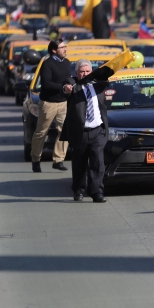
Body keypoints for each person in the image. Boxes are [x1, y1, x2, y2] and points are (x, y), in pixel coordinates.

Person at [61, 59, 109, 203]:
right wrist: (67, 88)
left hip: (97, 130)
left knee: (97, 161)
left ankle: (97, 192)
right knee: (79, 163)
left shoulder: (98, 84)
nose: (85, 74)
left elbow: (107, 79)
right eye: (82, 71)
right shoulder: (73, 83)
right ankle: (78, 190)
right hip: (80, 132)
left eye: (87, 71)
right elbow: (66, 87)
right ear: (76, 73)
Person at [30, 39, 71, 172]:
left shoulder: (67, 63)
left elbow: (67, 78)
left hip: (63, 102)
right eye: (62, 47)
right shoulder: (47, 64)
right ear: (54, 50)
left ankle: (58, 160)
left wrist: (71, 84)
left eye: (65, 47)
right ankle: (36, 159)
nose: (65, 49)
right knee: (41, 132)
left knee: (64, 132)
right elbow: (46, 84)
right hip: (48, 103)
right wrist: (63, 87)